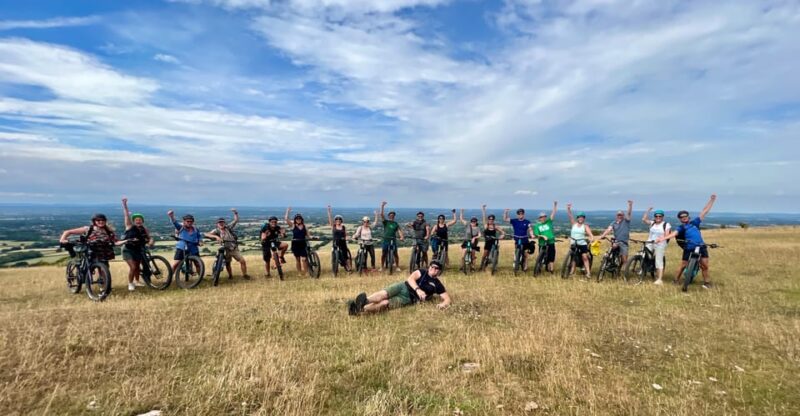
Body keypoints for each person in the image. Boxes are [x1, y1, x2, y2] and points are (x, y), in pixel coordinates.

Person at [347, 260, 451, 315]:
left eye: (436, 268)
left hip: (408, 298)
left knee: (385, 303)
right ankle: (364, 301)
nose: (433, 268)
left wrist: (442, 305)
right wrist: (418, 290)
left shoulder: (437, 284)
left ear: (439, 271)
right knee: (383, 294)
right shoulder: (422, 272)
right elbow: (411, 279)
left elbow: (447, 299)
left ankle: (359, 310)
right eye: (432, 266)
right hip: (403, 286)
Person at [658, 194, 717, 290]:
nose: (684, 217)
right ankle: (675, 280)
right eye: (681, 217)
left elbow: (704, 211)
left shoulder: (695, 223)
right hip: (689, 247)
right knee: (683, 265)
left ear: (688, 216)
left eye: (685, 216)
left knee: (704, 266)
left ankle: (707, 283)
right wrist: (662, 238)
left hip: (701, 247)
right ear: (680, 219)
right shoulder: (681, 227)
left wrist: (712, 200)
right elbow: (674, 234)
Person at [59, 213, 123, 266]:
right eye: (98, 220)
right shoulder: (88, 229)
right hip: (89, 251)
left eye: (103, 220)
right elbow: (68, 232)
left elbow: (115, 241)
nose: (101, 222)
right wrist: (62, 239)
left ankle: (104, 280)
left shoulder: (109, 231)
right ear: (94, 221)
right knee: (85, 265)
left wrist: (126, 241)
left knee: (105, 268)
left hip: (103, 253)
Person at [205, 208, 250, 280]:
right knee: (228, 263)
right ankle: (230, 275)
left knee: (242, 261)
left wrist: (235, 213)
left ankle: (245, 275)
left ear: (224, 223)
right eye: (220, 222)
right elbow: (206, 234)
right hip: (225, 249)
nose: (221, 223)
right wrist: (216, 236)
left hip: (233, 248)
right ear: (217, 224)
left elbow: (235, 221)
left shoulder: (228, 227)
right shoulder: (216, 230)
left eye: (222, 222)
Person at [121, 198, 154, 291]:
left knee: (137, 266)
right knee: (133, 267)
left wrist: (151, 241)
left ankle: (137, 281)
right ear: (134, 221)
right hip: (128, 249)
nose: (138, 221)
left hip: (139, 249)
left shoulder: (144, 229)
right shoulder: (129, 226)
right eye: (136, 220)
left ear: (142, 221)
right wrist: (125, 205)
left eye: (140, 220)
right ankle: (130, 283)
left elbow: (149, 238)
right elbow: (126, 215)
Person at [598, 200, 634, 269]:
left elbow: (629, 214)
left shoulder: (626, 221)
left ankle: (624, 273)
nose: (619, 216)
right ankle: (608, 261)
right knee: (612, 249)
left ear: (623, 216)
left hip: (624, 242)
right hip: (616, 241)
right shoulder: (613, 223)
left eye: (621, 215)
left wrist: (630, 205)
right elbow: (609, 229)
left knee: (624, 259)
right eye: (618, 215)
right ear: (616, 216)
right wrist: (603, 235)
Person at [642, 207, 671, 285]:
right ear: (654, 217)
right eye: (656, 216)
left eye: (660, 216)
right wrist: (648, 210)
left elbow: (667, 235)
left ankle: (659, 279)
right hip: (650, 242)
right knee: (643, 254)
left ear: (662, 217)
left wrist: (660, 239)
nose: (658, 217)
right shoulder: (652, 223)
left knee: (658, 260)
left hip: (660, 244)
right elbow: (644, 219)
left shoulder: (666, 224)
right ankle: (645, 267)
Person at [566, 204, 594, 279]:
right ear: (577, 218)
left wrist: (591, 238)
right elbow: (570, 216)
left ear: (584, 219)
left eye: (582, 217)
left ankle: (588, 273)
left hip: (582, 244)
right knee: (573, 258)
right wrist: (568, 209)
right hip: (573, 243)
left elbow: (590, 234)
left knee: (584, 257)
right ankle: (572, 272)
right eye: (579, 217)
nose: (581, 218)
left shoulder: (585, 226)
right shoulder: (574, 224)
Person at [285, 207, 315, 276]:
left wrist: (313, 237)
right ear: (295, 220)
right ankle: (299, 273)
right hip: (295, 244)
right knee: (297, 259)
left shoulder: (305, 226)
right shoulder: (293, 226)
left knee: (304, 259)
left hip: (303, 244)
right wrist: (288, 211)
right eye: (297, 219)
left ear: (302, 219)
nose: (298, 220)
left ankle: (306, 272)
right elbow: (286, 219)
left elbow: (308, 235)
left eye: (299, 218)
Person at [532, 201, 558, 273]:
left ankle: (551, 268)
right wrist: (542, 236)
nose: (543, 218)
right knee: (541, 256)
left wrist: (555, 205)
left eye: (544, 217)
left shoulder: (549, 222)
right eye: (541, 217)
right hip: (542, 243)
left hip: (551, 241)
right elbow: (536, 234)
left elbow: (553, 213)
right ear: (539, 218)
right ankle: (539, 266)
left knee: (551, 255)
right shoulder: (537, 225)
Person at [379, 201, 405, 271]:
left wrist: (401, 237)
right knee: (384, 254)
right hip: (386, 239)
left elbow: (399, 231)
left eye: (393, 215)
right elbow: (381, 215)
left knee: (395, 254)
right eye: (390, 215)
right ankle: (382, 266)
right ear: (388, 216)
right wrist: (382, 206)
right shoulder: (386, 222)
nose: (392, 216)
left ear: (394, 216)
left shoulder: (395, 223)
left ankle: (397, 267)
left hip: (393, 240)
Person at [480, 204, 506, 270]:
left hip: (494, 241)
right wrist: (483, 209)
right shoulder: (486, 225)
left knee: (495, 254)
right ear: (488, 219)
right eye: (489, 219)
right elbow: (483, 217)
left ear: (493, 220)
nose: (491, 220)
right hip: (488, 242)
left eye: (492, 219)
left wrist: (501, 237)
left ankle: (494, 266)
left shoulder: (495, 226)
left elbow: (503, 233)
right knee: (485, 255)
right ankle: (481, 266)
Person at [327, 205, 352, 271]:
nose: (338, 220)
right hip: (335, 243)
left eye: (339, 219)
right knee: (334, 257)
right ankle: (335, 269)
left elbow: (346, 235)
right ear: (335, 220)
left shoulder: (343, 227)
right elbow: (330, 219)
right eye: (337, 219)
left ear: (341, 221)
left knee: (345, 256)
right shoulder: (333, 226)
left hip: (342, 243)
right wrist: (329, 211)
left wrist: (347, 238)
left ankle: (349, 268)